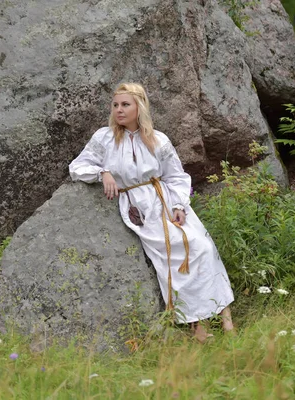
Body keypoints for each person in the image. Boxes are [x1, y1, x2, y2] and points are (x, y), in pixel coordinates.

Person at [69, 83, 234, 342]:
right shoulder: (104, 138)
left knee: (202, 245)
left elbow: (176, 176)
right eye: (115, 105)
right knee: (172, 254)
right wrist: (103, 172)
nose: (119, 110)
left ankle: (226, 319)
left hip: (164, 201)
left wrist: (179, 206)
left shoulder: (158, 139)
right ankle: (196, 326)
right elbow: (77, 167)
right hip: (137, 206)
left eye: (126, 104)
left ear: (139, 107)